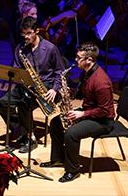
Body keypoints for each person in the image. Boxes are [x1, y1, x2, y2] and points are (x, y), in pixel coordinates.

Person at [40, 42, 115, 182]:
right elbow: (81, 94)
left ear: (89, 60)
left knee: (71, 133)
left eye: (79, 58)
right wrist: (70, 92)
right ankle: (58, 159)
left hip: (103, 121)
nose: (75, 60)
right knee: (56, 122)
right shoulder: (86, 73)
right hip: (90, 111)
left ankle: (73, 170)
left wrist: (82, 114)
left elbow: (104, 110)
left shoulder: (101, 82)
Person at [0, 16, 65, 153]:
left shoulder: (50, 49)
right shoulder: (20, 49)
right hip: (26, 86)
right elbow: (16, 69)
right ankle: (21, 130)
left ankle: (31, 138)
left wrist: (55, 90)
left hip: (46, 88)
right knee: (2, 104)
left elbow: (60, 72)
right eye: (23, 33)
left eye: (29, 33)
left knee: (24, 104)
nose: (25, 37)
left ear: (36, 31)